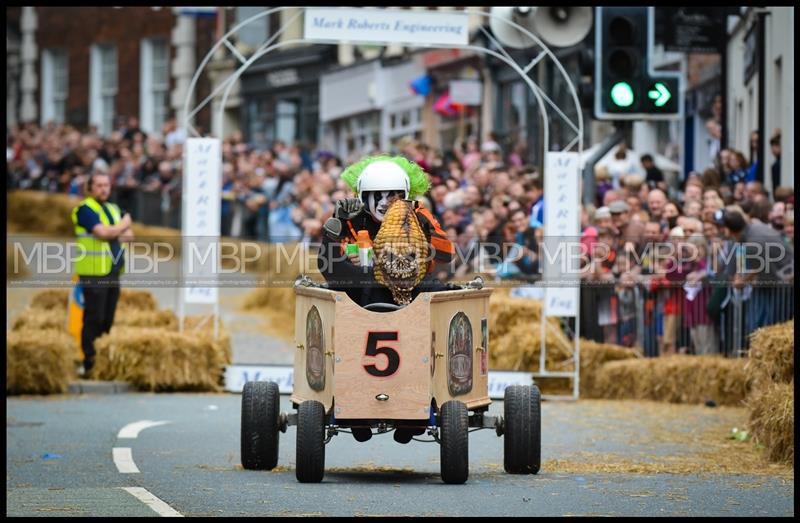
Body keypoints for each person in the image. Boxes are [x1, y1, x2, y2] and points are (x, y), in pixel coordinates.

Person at [318, 155, 455, 307]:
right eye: (377, 195)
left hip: (414, 286)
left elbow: (447, 255)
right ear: (363, 196)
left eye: (391, 195)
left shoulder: (417, 215)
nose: (384, 203)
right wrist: (337, 223)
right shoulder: (351, 219)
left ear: (405, 195)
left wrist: (425, 226)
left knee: (438, 291)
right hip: (364, 291)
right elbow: (330, 268)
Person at [71, 172, 133, 375]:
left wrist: (115, 231)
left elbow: (129, 237)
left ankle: (103, 362)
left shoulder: (113, 208)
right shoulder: (85, 210)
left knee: (108, 319)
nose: (104, 189)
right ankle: (89, 362)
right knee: (94, 318)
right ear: (90, 188)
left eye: (106, 185)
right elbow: (103, 233)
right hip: (93, 272)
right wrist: (121, 227)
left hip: (112, 271)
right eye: (98, 185)